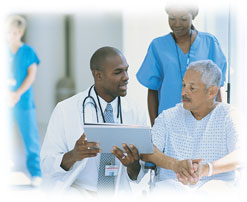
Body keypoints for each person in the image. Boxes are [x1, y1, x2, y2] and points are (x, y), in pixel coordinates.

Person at [112, 60, 241, 192]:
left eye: (192, 88)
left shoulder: (229, 116)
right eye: (183, 85)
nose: (184, 92)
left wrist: (207, 169)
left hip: (214, 190)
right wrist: (175, 165)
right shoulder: (168, 117)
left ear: (212, 92)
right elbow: (148, 149)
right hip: (171, 189)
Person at [40, 47, 147, 196]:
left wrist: (132, 165)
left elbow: (141, 174)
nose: (126, 77)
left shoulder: (137, 113)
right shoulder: (66, 110)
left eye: (126, 70)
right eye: (118, 72)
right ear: (98, 75)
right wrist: (73, 155)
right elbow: (46, 164)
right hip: (78, 192)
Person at [136, 1, 227, 126]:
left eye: (183, 19)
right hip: (168, 121)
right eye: (172, 18)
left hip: (204, 121)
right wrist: (155, 126)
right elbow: (152, 90)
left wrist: (219, 122)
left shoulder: (209, 43)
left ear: (193, 16)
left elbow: (216, 89)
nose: (177, 24)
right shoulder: (158, 46)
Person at [6, 15, 42, 186]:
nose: (11, 35)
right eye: (8, 32)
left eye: (15, 32)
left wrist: (16, 94)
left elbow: (31, 76)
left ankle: (36, 173)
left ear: (20, 32)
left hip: (24, 102)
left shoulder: (28, 52)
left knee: (30, 138)